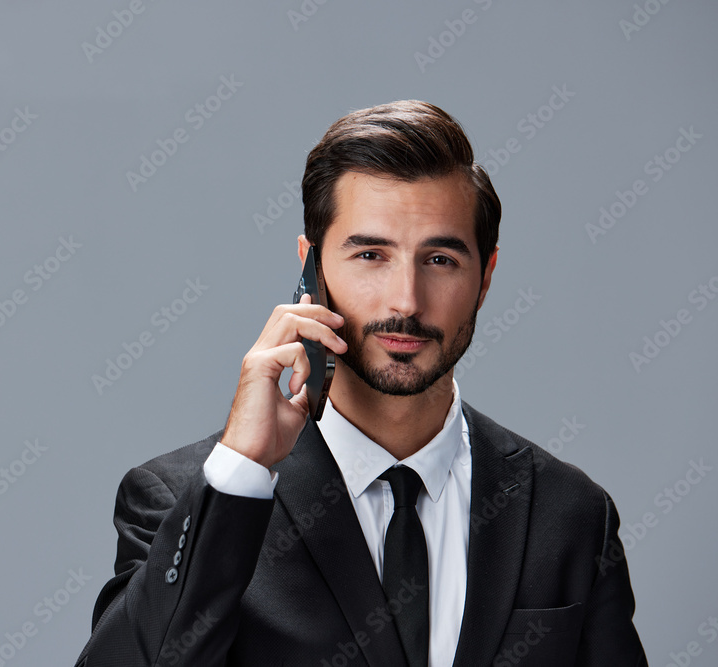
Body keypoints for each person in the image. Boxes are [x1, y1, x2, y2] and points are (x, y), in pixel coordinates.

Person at [75, 100, 647, 666]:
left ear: (486, 277)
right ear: (312, 268)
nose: (406, 300)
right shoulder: (186, 499)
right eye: (371, 254)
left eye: (441, 259)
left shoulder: (572, 514)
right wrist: (243, 468)